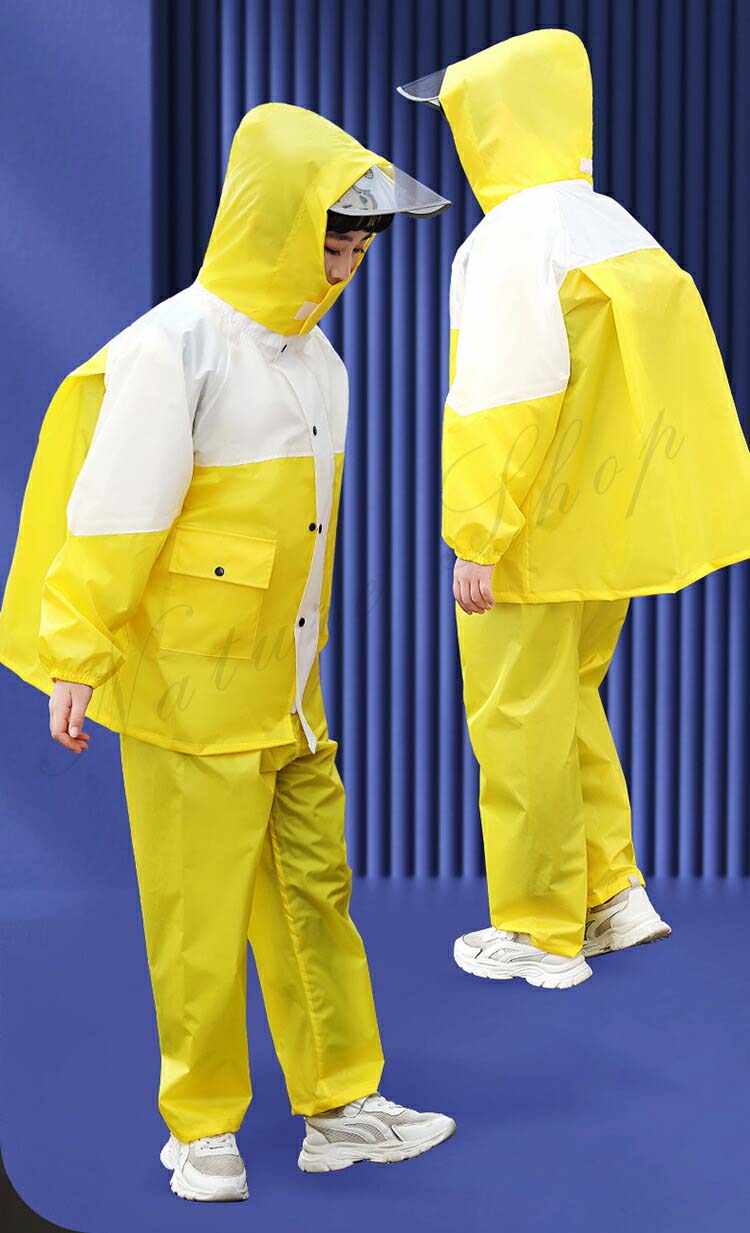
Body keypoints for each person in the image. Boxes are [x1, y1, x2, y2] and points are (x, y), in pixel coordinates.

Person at [0, 103, 455, 1200]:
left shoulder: (322, 362)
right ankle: (201, 1130)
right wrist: (77, 652)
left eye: (362, 240)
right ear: (273, 221)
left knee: (313, 897)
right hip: (188, 696)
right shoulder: (174, 348)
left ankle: (339, 1106)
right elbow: (115, 512)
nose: (349, 258)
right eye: (333, 235)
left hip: (288, 698)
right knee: (195, 916)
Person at [398, 29, 750, 989]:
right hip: (605, 534)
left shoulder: (509, 240)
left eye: (463, 118)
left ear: (492, 121)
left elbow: (503, 401)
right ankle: (613, 895)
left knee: (516, 720)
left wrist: (478, 534)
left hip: (528, 535)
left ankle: (539, 930)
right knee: (571, 702)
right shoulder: (614, 226)